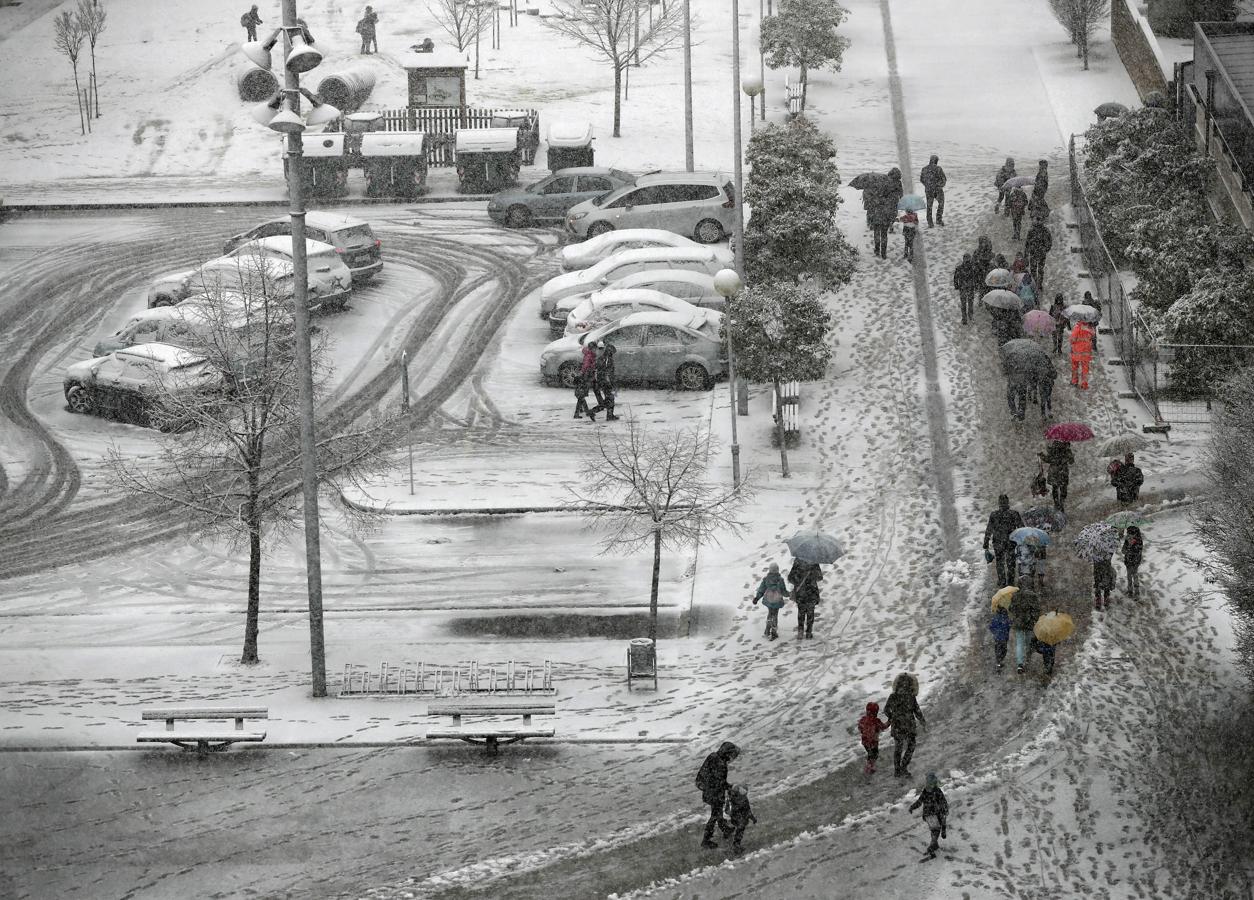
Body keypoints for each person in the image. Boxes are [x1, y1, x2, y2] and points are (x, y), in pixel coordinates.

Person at [696, 741, 739, 848]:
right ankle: (706, 840)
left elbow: (711, 777)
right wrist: (730, 787)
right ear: (727, 753)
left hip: (707, 788)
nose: (732, 758)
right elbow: (720, 782)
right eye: (732, 755)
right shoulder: (721, 764)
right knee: (715, 815)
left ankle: (725, 829)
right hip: (714, 792)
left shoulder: (713, 756)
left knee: (717, 812)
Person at [884, 673, 925, 778]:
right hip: (909, 725)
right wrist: (923, 722)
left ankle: (897, 770)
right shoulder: (911, 697)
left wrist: (892, 717)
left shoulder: (893, 696)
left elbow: (886, 710)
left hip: (897, 725)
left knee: (898, 748)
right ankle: (904, 767)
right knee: (911, 746)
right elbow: (917, 711)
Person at [983, 494, 1024, 587]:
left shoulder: (994, 515)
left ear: (999, 503)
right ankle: (1010, 581)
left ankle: (1002, 581)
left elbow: (989, 529)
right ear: (1008, 503)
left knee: (999, 562)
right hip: (1011, 542)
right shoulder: (1014, 514)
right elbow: (1021, 528)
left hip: (998, 542)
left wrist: (986, 541)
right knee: (1011, 563)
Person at [909, 772, 949, 860]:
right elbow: (943, 801)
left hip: (927, 815)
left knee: (933, 829)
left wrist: (912, 807)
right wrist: (945, 809)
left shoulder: (925, 791)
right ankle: (931, 846)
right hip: (935, 814)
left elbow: (919, 802)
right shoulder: (937, 791)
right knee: (936, 830)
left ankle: (935, 844)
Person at [752, 562, 790, 640]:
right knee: (775, 615)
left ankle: (767, 631)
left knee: (770, 614)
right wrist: (790, 594)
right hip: (777, 600)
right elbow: (783, 591)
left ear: (770, 570)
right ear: (777, 570)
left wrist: (757, 598)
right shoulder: (780, 580)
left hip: (769, 600)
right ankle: (774, 632)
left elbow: (761, 589)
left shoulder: (766, 579)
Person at [1008, 588, 1041, 674]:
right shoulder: (1031, 596)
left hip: (1018, 623)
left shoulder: (1015, 596)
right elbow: (1036, 609)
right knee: (1028, 641)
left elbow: (1011, 608)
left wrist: (1017, 613)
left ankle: (1020, 664)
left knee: (1019, 643)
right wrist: (1033, 617)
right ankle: (1028, 657)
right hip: (1028, 622)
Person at [587, 341, 619, 421]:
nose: (613, 354)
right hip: (606, 382)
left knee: (609, 399)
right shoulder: (608, 360)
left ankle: (609, 415)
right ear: (610, 351)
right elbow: (609, 374)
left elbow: (597, 369)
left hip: (601, 381)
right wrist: (613, 385)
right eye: (613, 352)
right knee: (609, 399)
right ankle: (595, 411)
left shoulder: (601, 358)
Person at [1040, 440, 1075, 512]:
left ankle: (1056, 504)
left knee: (1055, 488)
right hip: (1063, 471)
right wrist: (1070, 456)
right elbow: (1071, 462)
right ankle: (1061, 503)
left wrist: (1042, 456)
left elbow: (1048, 459)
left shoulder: (1053, 448)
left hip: (1054, 471)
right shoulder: (1067, 448)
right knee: (1063, 488)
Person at [858, 701, 890, 775]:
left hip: (865, 741)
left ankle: (869, 766)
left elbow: (860, 728)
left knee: (870, 753)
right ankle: (869, 768)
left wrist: (864, 732)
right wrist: (890, 721)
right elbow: (883, 727)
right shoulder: (876, 721)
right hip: (873, 742)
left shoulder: (863, 719)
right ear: (876, 712)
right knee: (875, 754)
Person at [725, 784, 757, 856]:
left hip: (740, 817)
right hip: (737, 817)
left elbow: (748, 810)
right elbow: (727, 811)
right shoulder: (731, 799)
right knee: (740, 829)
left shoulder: (741, 798)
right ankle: (736, 845)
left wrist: (752, 818)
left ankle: (735, 844)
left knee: (740, 830)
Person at [793, 565, 821, 639]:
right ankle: (809, 632)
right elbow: (820, 577)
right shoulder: (814, 563)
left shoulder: (798, 561)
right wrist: (812, 575)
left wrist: (798, 578)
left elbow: (791, 577)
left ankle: (800, 632)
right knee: (810, 613)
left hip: (801, 593)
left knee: (801, 614)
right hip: (811, 592)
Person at [1025, 219, 1052, 292]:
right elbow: (1050, 241)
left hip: (1035, 253)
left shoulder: (1032, 231)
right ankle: (1038, 285)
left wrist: (1027, 252)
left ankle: (1036, 284)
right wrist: (1046, 249)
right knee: (1039, 270)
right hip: (1039, 253)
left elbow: (1027, 243)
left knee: (1035, 270)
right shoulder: (1045, 231)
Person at [953, 252, 979, 325]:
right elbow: (976, 278)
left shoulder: (959, 268)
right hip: (970, 288)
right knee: (970, 303)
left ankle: (964, 319)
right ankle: (970, 316)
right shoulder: (973, 268)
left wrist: (956, 286)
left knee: (964, 304)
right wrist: (976, 286)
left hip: (963, 288)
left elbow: (955, 278)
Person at [920, 154, 946, 227]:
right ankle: (938, 219)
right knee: (941, 203)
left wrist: (927, 185)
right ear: (936, 161)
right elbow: (944, 179)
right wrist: (939, 185)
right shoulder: (938, 169)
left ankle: (930, 222)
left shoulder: (924, 169)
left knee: (929, 206)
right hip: (938, 190)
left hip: (928, 190)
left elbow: (921, 179)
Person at [1070, 319, 1096, 390]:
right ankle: (1084, 384)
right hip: (1086, 352)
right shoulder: (1090, 328)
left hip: (1076, 352)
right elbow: (1093, 337)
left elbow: (1072, 339)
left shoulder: (1077, 328)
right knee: (1085, 369)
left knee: (1075, 367)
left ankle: (1074, 381)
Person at [1122, 525, 1145, 600]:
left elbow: (1139, 550)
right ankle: (1130, 591)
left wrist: (1132, 547)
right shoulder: (1127, 539)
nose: (1128, 534)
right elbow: (1123, 550)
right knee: (1129, 575)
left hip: (1135, 560)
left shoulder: (1138, 540)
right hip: (1129, 560)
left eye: (1129, 533)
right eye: (1128, 533)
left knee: (1134, 575)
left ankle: (1136, 592)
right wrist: (1127, 547)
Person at [989, 604, 1012, 669]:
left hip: (997, 638)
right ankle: (1000, 661)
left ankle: (998, 662)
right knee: (1004, 650)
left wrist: (995, 632)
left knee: (997, 650)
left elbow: (991, 627)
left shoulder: (995, 618)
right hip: (1004, 638)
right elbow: (1009, 626)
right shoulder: (1006, 618)